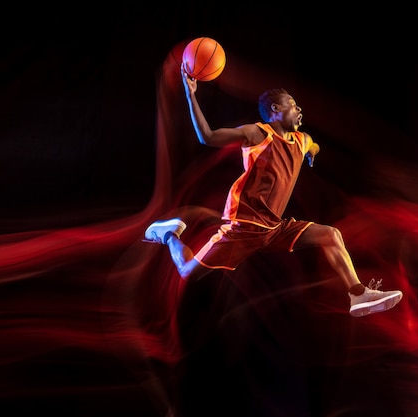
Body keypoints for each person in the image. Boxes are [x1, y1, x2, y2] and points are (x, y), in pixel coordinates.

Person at [143, 64, 403, 317]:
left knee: (330, 234)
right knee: (188, 272)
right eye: (292, 104)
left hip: (274, 227)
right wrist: (191, 94)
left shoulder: (302, 140)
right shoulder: (258, 133)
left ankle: (358, 294)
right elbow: (207, 137)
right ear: (276, 110)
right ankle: (168, 234)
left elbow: (313, 145)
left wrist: (312, 152)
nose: (299, 108)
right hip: (243, 225)